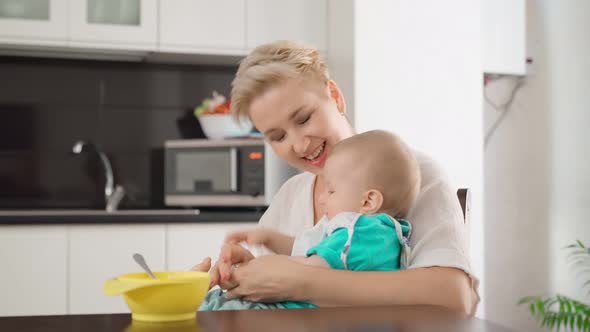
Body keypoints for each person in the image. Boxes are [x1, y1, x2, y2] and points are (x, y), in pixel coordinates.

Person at [192, 40, 479, 314]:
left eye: (304, 118)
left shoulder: (414, 174)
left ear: (336, 97)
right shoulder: (291, 194)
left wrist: (302, 283)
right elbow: (283, 294)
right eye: (278, 137)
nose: (300, 145)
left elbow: (455, 297)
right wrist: (246, 280)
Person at [199, 130, 419, 310]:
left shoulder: (364, 230)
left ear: (369, 201)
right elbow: (305, 248)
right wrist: (268, 239)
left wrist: (262, 269)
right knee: (215, 303)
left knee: (217, 308)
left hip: (294, 313)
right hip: (298, 312)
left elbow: (315, 267)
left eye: (331, 191)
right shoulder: (351, 231)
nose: (322, 199)